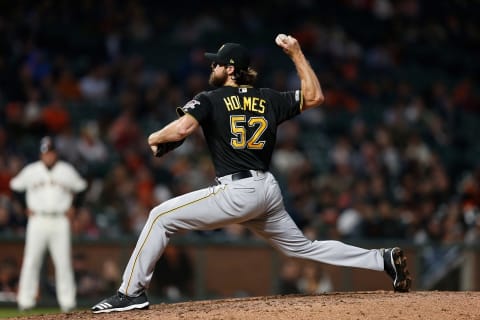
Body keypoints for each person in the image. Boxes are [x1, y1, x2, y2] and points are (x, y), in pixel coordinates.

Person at [92, 35, 411, 313]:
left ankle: (129, 293)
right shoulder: (268, 98)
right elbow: (315, 96)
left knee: (160, 217)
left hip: (237, 191)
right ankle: (381, 259)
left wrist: (154, 138)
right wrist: (297, 53)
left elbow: (183, 128)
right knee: (303, 247)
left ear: (230, 68)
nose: (211, 68)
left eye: (216, 64)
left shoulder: (210, 98)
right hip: (266, 190)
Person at [10, 136, 87, 312]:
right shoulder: (32, 170)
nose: (48, 156)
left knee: (63, 262)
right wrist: (23, 207)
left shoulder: (66, 170)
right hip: (37, 219)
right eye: (45, 153)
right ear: (41, 154)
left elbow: (81, 188)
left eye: (50, 152)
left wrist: (74, 207)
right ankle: (25, 301)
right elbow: (15, 187)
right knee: (31, 261)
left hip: (60, 220)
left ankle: (68, 302)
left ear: (55, 153)